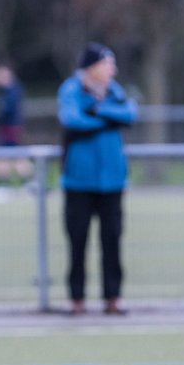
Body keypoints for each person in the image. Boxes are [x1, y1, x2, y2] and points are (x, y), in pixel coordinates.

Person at [57, 43, 138, 316]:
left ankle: (112, 297)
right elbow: (72, 120)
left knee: (112, 240)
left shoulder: (114, 90)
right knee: (77, 241)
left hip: (112, 182)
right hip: (78, 182)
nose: (112, 69)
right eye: (108, 63)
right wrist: (107, 117)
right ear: (92, 66)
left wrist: (98, 110)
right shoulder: (71, 89)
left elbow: (130, 114)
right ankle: (76, 299)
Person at [0, 63, 32, 190]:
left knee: (9, 156)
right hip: (9, 129)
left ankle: (4, 184)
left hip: (11, 129)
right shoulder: (9, 90)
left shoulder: (13, 90)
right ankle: (25, 183)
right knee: (13, 157)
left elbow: (7, 110)